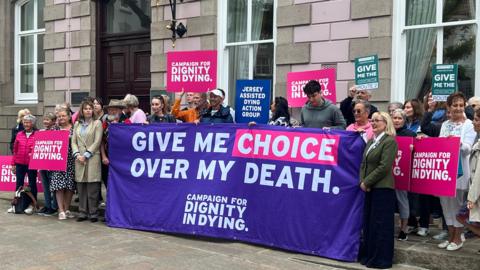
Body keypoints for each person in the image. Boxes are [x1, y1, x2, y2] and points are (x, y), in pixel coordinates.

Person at [358, 111, 398, 269]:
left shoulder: (389, 142)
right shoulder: (371, 141)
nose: (373, 123)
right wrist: (362, 181)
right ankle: (369, 255)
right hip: (369, 188)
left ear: (385, 123)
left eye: (377, 121)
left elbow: (384, 166)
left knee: (381, 225)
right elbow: (364, 163)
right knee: (370, 223)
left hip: (383, 189)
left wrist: (366, 182)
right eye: (372, 121)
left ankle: (381, 259)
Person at [437, 92, 476, 251]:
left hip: (461, 171)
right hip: (444, 171)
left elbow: (468, 148)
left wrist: (455, 143)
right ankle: (451, 235)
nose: (458, 108)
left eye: (461, 105)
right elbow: (439, 144)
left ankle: (458, 237)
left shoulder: (469, 124)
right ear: (449, 107)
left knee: (458, 205)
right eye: (455, 105)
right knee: (445, 204)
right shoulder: (445, 124)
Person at [72, 101, 103, 222]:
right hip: (79, 159)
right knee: (81, 186)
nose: (88, 110)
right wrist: (77, 154)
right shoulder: (77, 124)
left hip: (92, 157)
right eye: (86, 109)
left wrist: (86, 154)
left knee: (92, 187)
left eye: (90, 108)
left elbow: (97, 141)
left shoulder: (97, 123)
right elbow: (73, 141)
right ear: (82, 111)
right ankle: (82, 212)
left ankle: (93, 212)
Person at [100, 99, 131, 213]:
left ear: (120, 110)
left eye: (114, 109)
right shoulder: (105, 123)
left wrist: (117, 128)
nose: (112, 112)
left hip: (121, 160)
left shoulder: (127, 122)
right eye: (110, 110)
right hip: (107, 158)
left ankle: (121, 211)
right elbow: (101, 141)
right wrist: (103, 156)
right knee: (108, 184)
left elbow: (129, 142)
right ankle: (110, 211)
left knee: (121, 186)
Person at [391, 109, 416, 241]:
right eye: (394, 118)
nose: (396, 120)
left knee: (402, 201)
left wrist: (413, 148)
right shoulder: (388, 133)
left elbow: (419, 154)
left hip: (403, 172)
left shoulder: (411, 134)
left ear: (404, 120)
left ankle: (404, 229)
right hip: (388, 173)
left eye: (399, 118)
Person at [457, 108, 480, 242]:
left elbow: (478, 175)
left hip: (476, 193)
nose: (473, 123)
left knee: (461, 216)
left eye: (476, 120)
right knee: (461, 216)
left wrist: (472, 197)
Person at [50, 108, 76, 220]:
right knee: (59, 186)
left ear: (69, 116)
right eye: (59, 116)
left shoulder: (75, 128)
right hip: (57, 160)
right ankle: (60, 210)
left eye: (63, 116)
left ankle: (67, 209)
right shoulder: (54, 129)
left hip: (70, 160)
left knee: (70, 186)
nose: (61, 118)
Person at [10, 114, 38, 214]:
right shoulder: (19, 134)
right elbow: (15, 150)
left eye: (28, 122)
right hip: (19, 163)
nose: (26, 124)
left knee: (32, 185)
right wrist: (13, 164)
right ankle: (17, 204)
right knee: (19, 184)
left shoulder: (37, 134)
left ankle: (32, 205)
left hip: (32, 164)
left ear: (33, 123)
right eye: (24, 122)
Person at [38, 112, 59, 216]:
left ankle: (54, 206)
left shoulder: (57, 131)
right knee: (45, 186)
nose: (45, 121)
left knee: (53, 186)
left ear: (54, 121)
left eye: (48, 119)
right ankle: (47, 205)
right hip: (43, 163)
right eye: (44, 119)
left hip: (53, 164)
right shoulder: (40, 132)